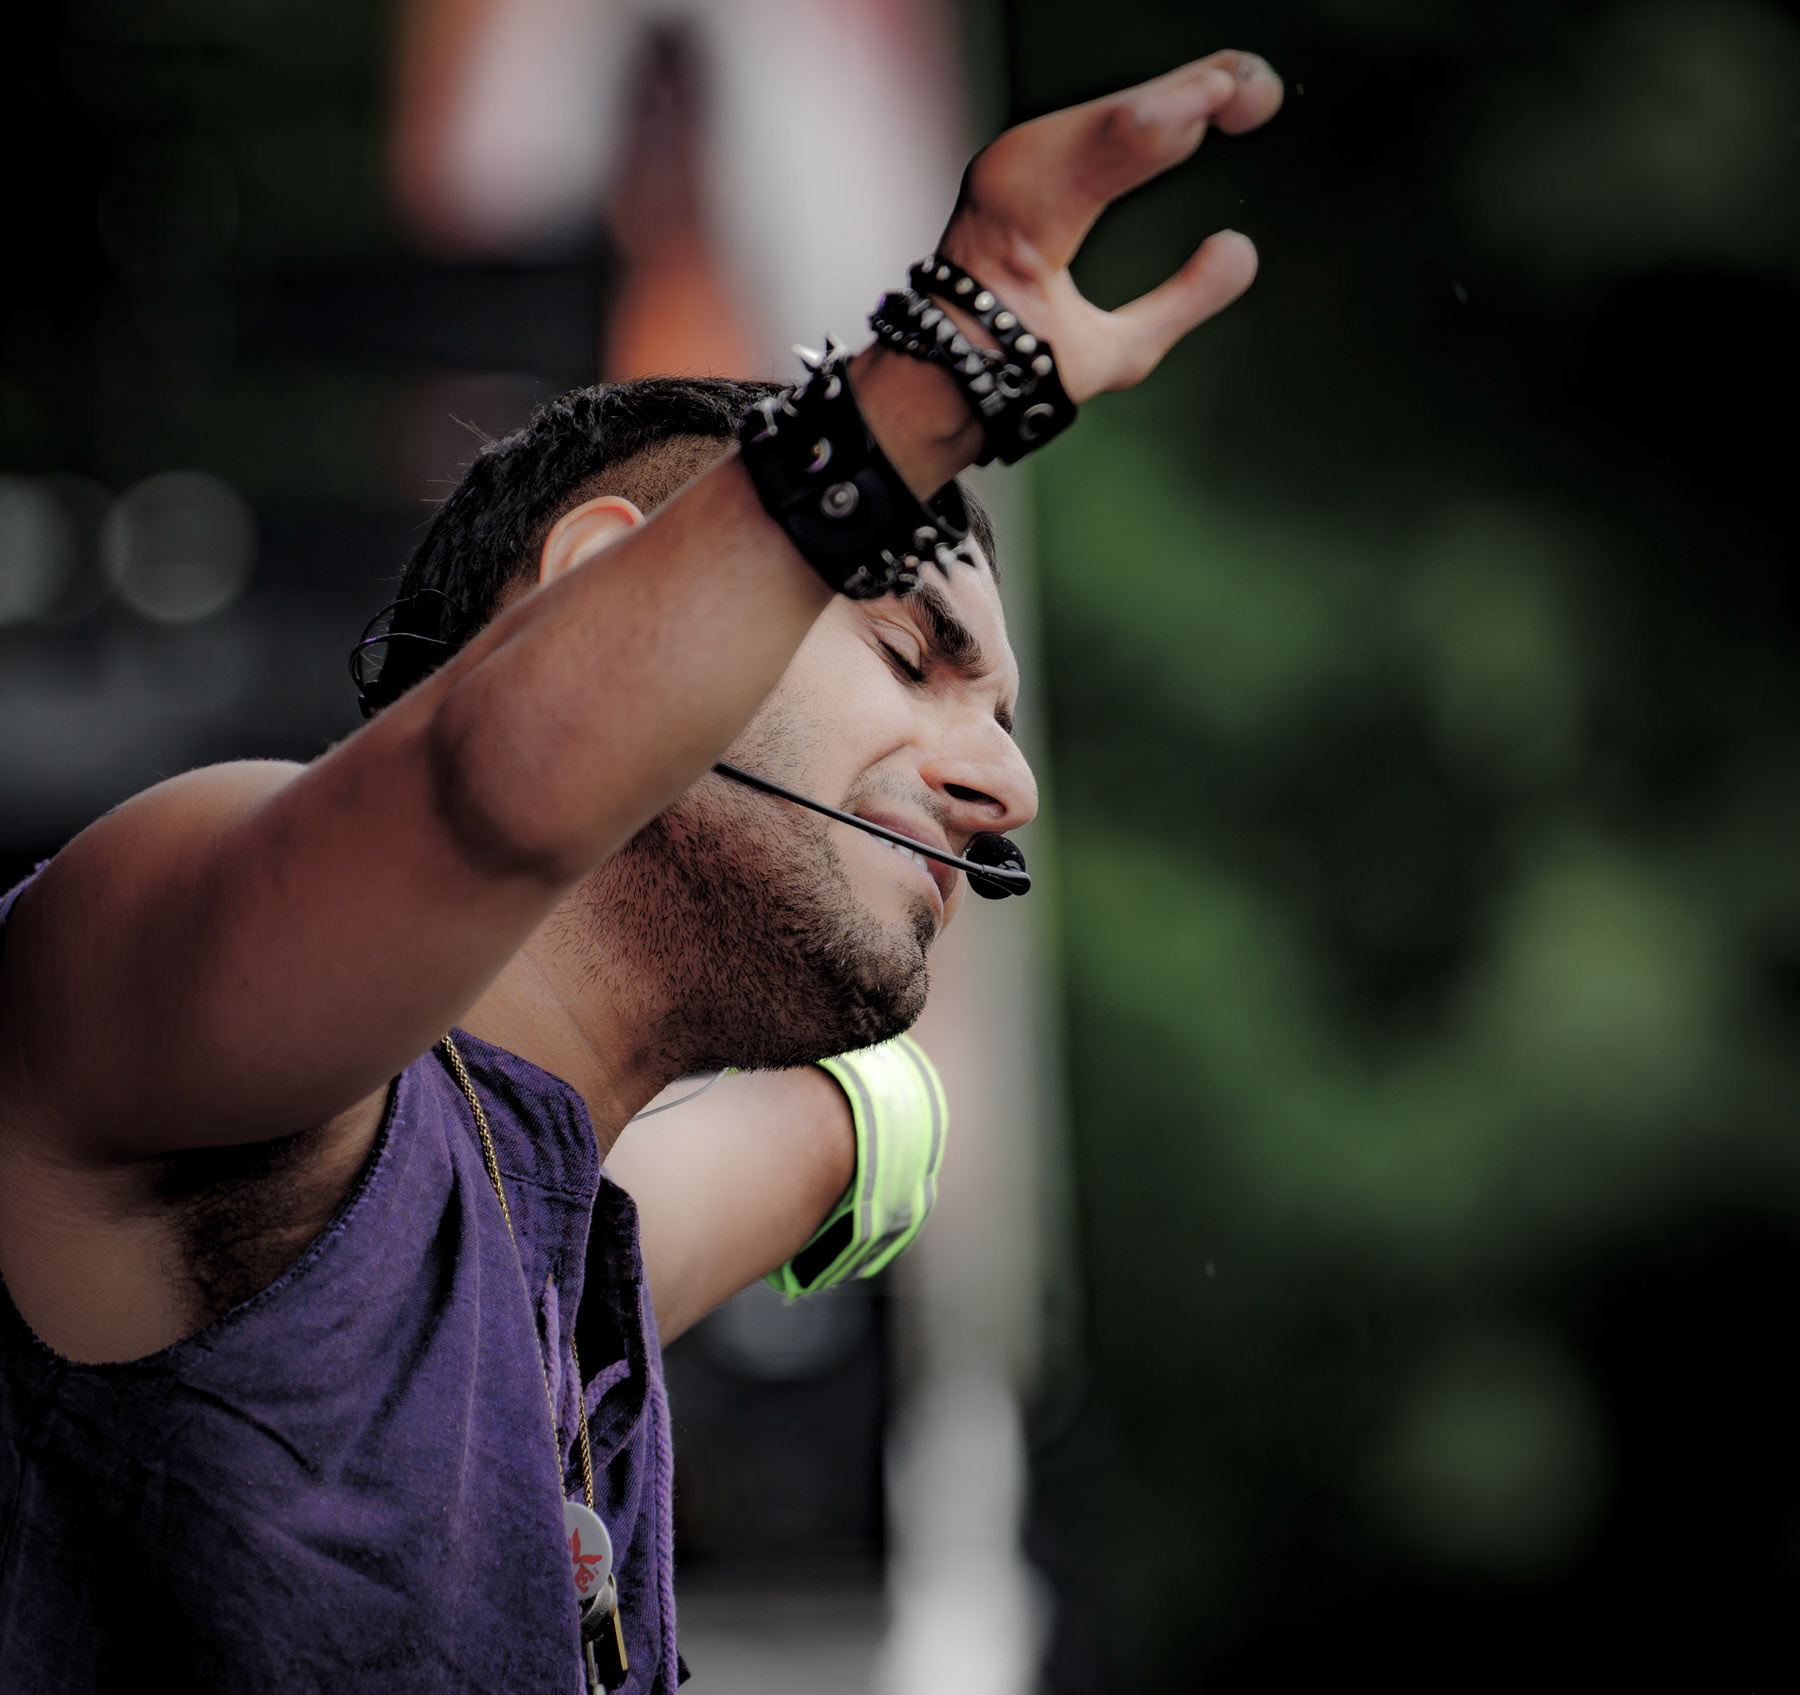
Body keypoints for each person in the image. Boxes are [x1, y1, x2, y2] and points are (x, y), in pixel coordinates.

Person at [0, 49, 1284, 1694]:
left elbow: (792, 1153)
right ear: (585, 585)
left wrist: (879, 1118)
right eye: (912, 657)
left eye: (1003, 721)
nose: (1009, 786)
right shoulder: (165, 967)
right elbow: (485, 790)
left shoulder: (557, 1255)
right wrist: (925, 387)